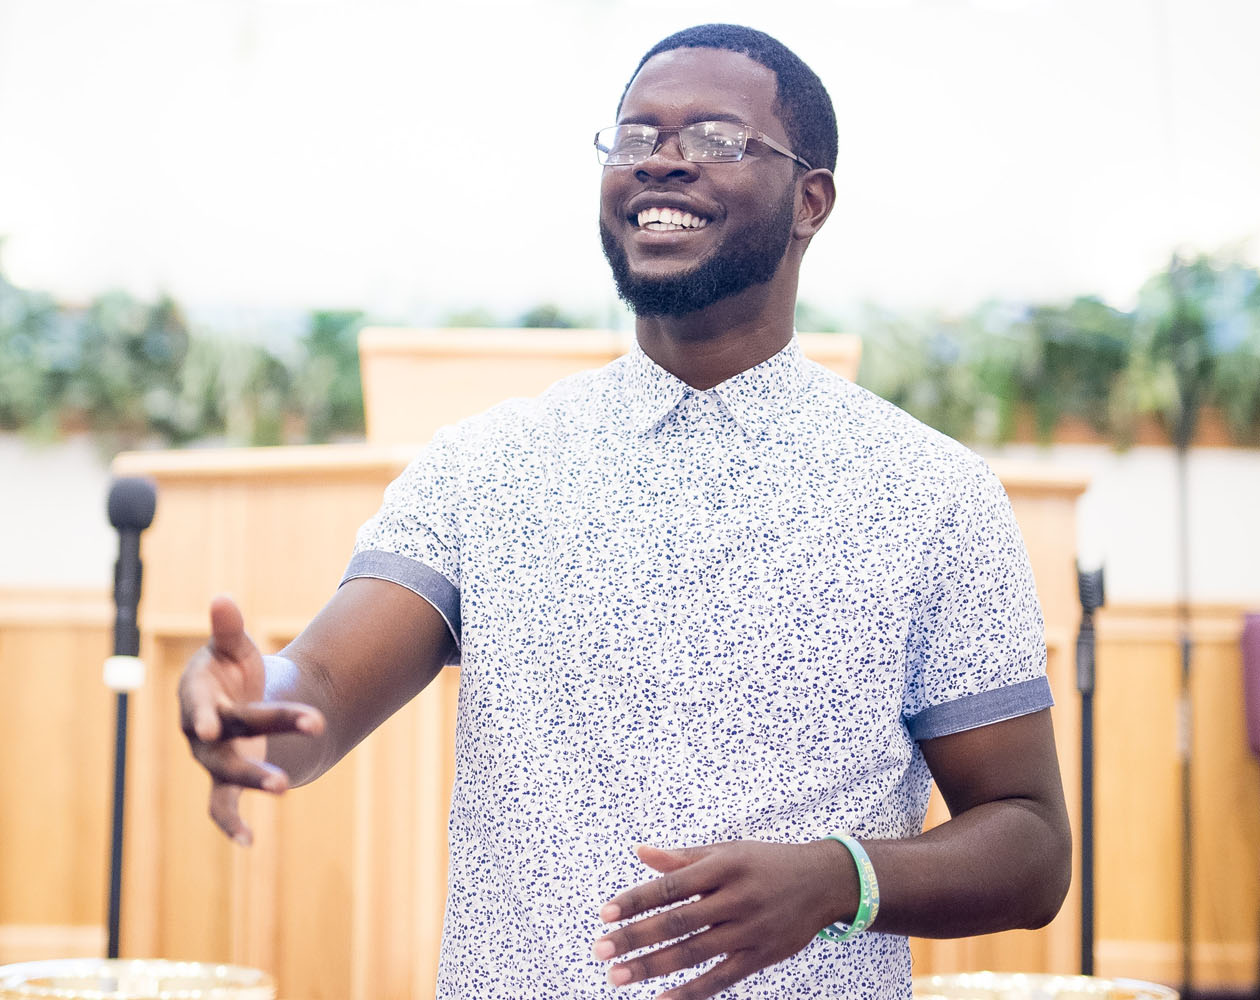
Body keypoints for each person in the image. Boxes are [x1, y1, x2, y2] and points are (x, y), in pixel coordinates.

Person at [180, 23, 1072, 1000]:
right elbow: (313, 692)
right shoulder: (485, 467)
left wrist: (840, 879)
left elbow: (1028, 843)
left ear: (810, 198)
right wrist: (244, 707)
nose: (666, 162)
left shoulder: (932, 495)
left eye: (716, 138)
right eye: (637, 137)